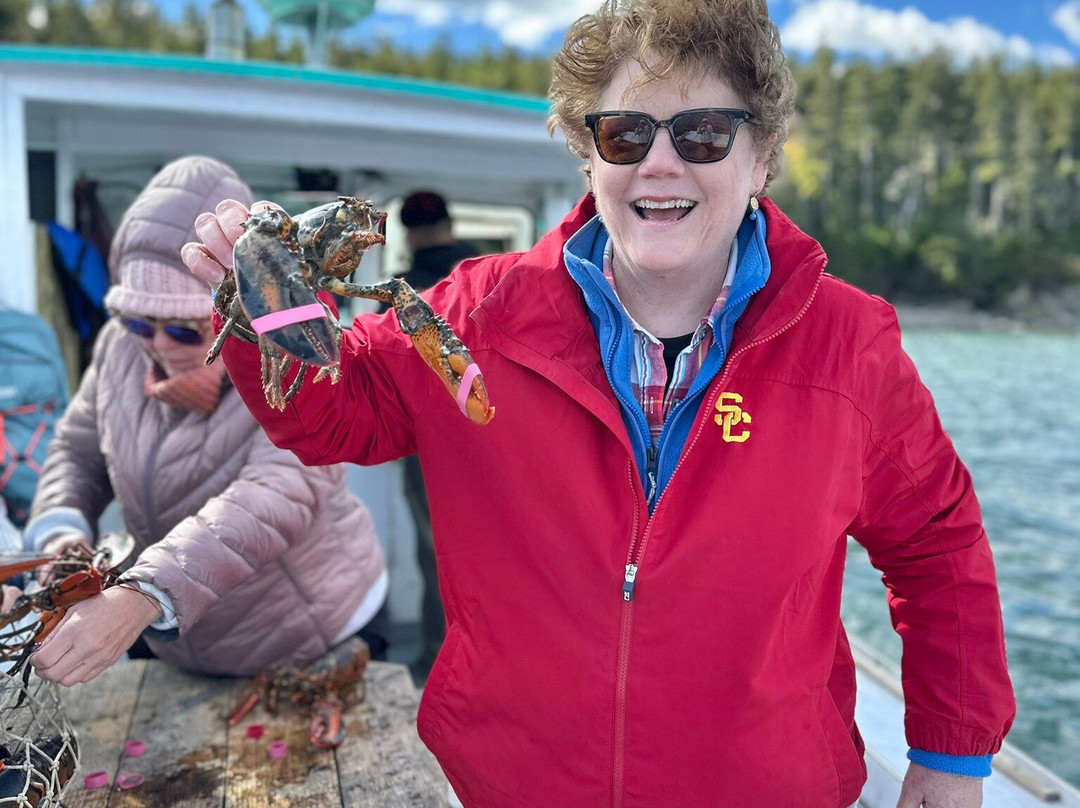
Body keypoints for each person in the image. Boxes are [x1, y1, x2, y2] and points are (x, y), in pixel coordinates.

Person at [182, 1, 1016, 805]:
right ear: (590, 156)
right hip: (508, 787)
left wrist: (953, 753)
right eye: (625, 133)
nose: (660, 164)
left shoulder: (850, 346)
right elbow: (337, 411)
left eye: (703, 133)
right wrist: (265, 299)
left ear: (761, 158)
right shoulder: (474, 317)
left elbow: (935, 545)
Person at [24, 155, 388, 686]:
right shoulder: (119, 349)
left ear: (229, 312)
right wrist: (61, 530)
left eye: (185, 331)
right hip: (174, 636)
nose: (157, 344)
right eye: (137, 321)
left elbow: (279, 491)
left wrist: (145, 592)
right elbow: (77, 453)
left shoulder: (294, 343)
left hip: (307, 632)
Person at [396, 191, 478, 684]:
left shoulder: (403, 291)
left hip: (427, 442)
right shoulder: (484, 271)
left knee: (436, 555)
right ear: (449, 223)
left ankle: (435, 663)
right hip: (491, 435)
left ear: (408, 232)